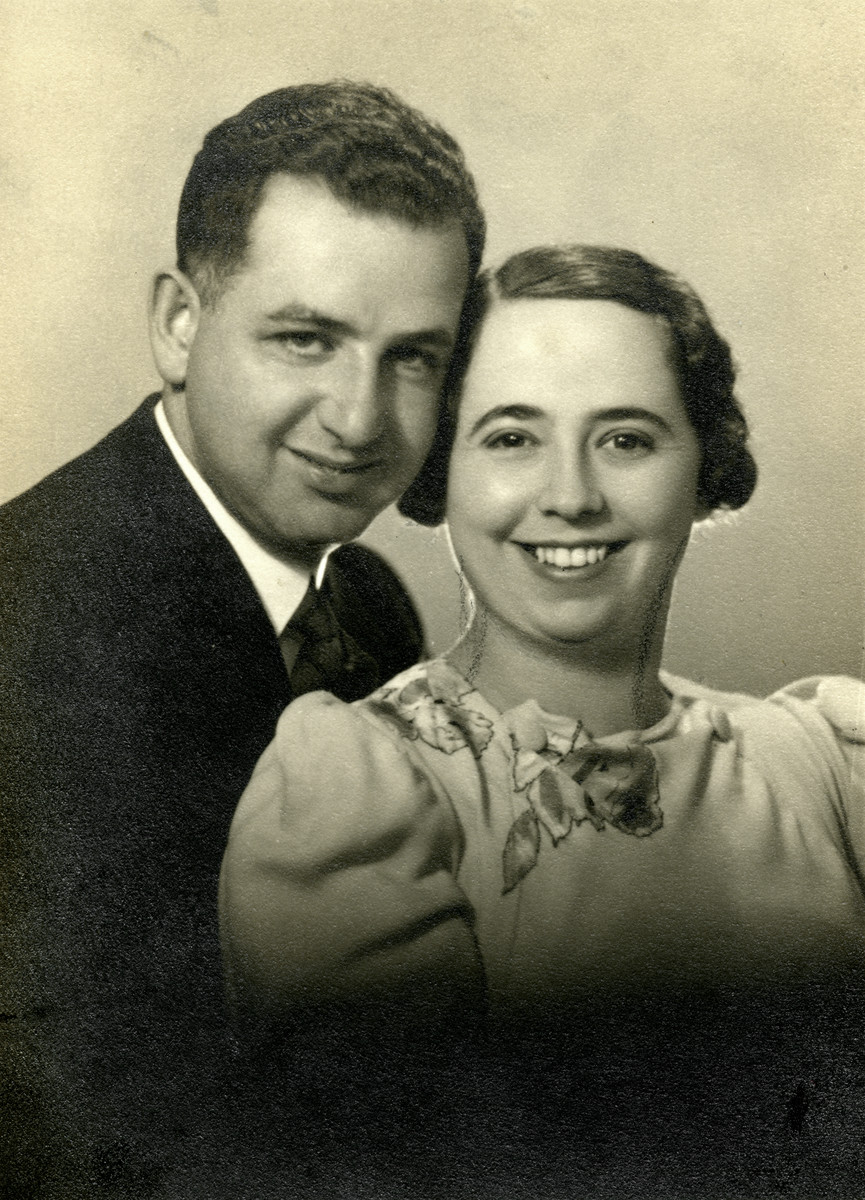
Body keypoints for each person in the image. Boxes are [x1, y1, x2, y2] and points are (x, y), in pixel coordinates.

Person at [220, 245, 865, 1195]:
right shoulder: (362, 790)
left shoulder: (824, 763)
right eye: (512, 438)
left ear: (704, 468)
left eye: (626, 439)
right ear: (445, 472)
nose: (569, 496)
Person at [0, 81, 482, 1195]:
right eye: (306, 339)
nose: (360, 421)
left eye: (412, 357)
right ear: (178, 322)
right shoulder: (27, 620)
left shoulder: (366, 603)